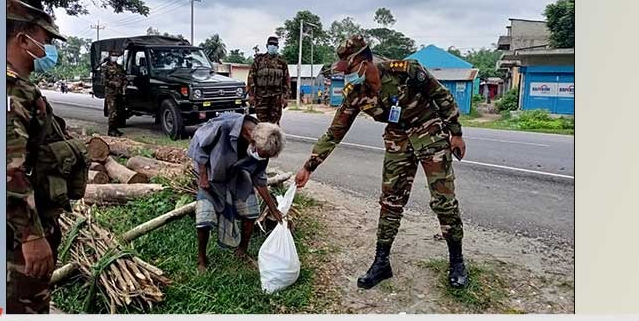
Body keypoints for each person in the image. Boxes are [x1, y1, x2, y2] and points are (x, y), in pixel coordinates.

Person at [294, 35, 469, 289]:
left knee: (443, 200)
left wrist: (456, 133)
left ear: (365, 61)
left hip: (428, 130)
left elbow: (442, 97)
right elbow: (334, 132)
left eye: (350, 69)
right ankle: (381, 262)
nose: (347, 76)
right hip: (398, 138)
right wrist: (309, 166)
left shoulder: (407, 71)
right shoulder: (355, 93)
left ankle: (456, 261)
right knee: (390, 200)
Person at [6, 0, 88, 313]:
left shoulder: (19, 87)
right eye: (45, 41)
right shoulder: (11, 90)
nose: (48, 49)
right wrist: (31, 237)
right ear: (22, 39)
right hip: (15, 241)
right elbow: (8, 169)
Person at [187, 113, 286, 272]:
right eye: (262, 154)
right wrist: (203, 177)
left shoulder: (264, 143)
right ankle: (202, 258)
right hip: (212, 174)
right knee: (204, 217)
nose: (262, 158)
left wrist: (274, 209)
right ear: (252, 142)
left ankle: (242, 250)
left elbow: (259, 180)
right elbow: (200, 145)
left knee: (251, 211)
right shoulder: (225, 126)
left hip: (237, 175)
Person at [247, 36, 291, 124]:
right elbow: (251, 78)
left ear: (278, 47)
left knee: (274, 124)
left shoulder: (282, 62)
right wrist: (251, 95)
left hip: (276, 98)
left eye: (275, 45)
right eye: (271, 44)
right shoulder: (258, 61)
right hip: (261, 97)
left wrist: (286, 97)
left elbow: (286, 80)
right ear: (267, 46)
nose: (273, 46)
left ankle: (274, 138)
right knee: (262, 124)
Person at [102, 51, 126, 136]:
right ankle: (111, 130)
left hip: (119, 92)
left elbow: (123, 77)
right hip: (110, 93)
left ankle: (115, 129)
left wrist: (124, 85)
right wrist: (114, 83)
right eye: (113, 55)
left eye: (116, 55)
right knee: (112, 111)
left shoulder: (119, 67)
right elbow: (104, 81)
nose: (115, 57)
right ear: (110, 56)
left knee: (118, 111)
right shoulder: (106, 67)